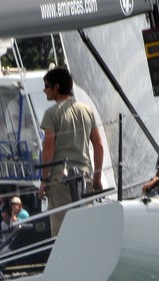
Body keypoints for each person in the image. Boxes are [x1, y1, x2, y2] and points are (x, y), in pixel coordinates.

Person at [37, 66, 105, 237]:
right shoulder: (87, 110)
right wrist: (97, 178)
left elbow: (49, 147)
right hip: (85, 177)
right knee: (86, 229)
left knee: (62, 232)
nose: (44, 90)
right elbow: (98, 145)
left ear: (57, 87)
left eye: (47, 86)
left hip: (60, 179)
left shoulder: (51, 114)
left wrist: (44, 180)